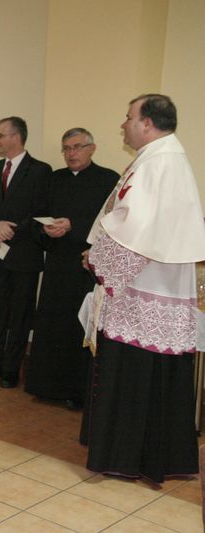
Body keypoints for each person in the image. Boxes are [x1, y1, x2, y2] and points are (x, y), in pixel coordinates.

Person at [80, 94, 205, 484]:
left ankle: (128, 456)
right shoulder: (158, 157)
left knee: (136, 373)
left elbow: (136, 227)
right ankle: (143, 456)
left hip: (144, 286)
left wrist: (97, 258)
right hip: (146, 282)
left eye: (129, 117)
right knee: (147, 371)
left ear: (147, 122)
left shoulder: (160, 162)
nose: (123, 124)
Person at [24, 128, 118, 409]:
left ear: (92, 148)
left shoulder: (108, 179)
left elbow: (111, 223)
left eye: (77, 147)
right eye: (66, 148)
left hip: (85, 266)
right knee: (52, 325)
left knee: (78, 327)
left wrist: (73, 225)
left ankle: (78, 393)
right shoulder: (55, 179)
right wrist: (45, 229)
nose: (70, 153)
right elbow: (35, 216)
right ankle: (46, 387)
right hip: (56, 264)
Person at [0, 116, 52, 388]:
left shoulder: (40, 170)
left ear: (16, 137)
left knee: (19, 314)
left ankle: (10, 369)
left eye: (0, 135)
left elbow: (41, 212)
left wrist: (11, 229)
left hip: (24, 254)